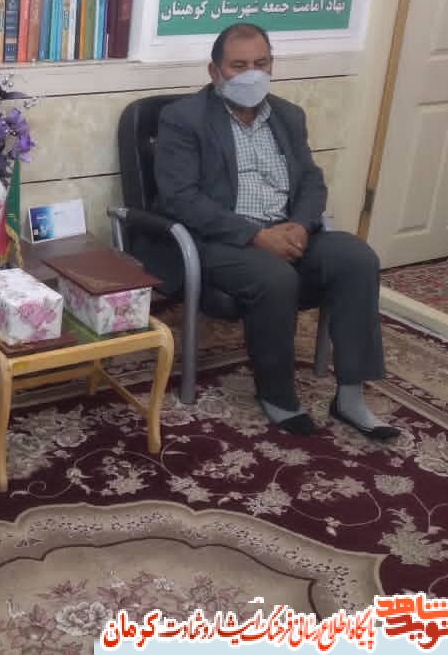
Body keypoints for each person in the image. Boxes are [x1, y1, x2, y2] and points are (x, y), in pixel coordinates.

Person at [149, 23, 399, 440]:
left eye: (261, 63)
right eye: (239, 65)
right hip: (223, 240)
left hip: (288, 229)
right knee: (275, 277)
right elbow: (181, 198)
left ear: (272, 65)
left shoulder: (288, 115)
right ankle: (278, 396)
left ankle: (351, 396)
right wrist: (256, 236)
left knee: (357, 258)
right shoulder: (183, 119)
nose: (252, 74)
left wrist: (300, 225)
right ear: (214, 71)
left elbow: (311, 182)